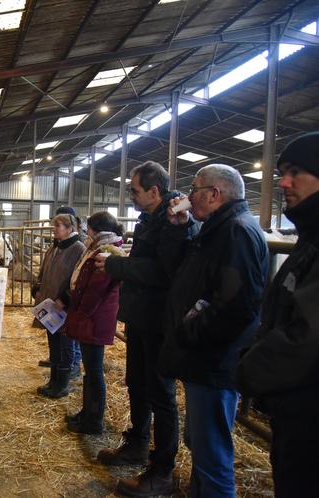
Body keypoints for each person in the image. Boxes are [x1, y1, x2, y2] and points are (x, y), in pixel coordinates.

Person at [162, 164, 268, 498]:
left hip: (214, 360)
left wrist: (189, 333)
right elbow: (184, 274)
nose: (189, 196)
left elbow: (236, 306)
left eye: (194, 189)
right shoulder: (216, 229)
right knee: (201, 445)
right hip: (205, 357)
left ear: (215, 193)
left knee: (212, 455)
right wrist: (181, 230)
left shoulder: (236, 231)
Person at [93, 161, 193, 496]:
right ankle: (136, 444)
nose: (131, 196)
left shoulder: (175, 219)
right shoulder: (150, 217)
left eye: (135, 190)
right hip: (140, 315)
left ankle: (162, 470)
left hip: (160, 319)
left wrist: (116, 264)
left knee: (161, 393)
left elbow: (166, 271)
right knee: (137, 382)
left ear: (154, 191)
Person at [236, 132, 319, 498]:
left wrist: (247, 370)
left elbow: (306, 335)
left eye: (295, 172)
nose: (283, 182)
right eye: (282, 171)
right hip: (296, 409)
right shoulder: (310, 240)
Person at [62, 212, 126, 434]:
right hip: (91, 316)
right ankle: (87, 413)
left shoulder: (108, 251)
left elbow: (96, 289)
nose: (85, 232)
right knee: (90, 370)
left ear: (95, 229)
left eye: (88, 228)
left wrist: (81, 312)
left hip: (95, 318)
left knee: (95, 371)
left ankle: (94, 419)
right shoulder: (100, 248)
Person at [32, 213, 85, 398]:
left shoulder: (78, 248)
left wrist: (65, 298)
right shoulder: (55, 247)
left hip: (63, 307)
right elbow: (45, 271)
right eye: (54, 225)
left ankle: (62, 384)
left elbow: (78, 278)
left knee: (65, 345)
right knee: (53, 344)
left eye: (58, 226)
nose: (54, 229)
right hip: (50, 305)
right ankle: (53, 381)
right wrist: (37, 287)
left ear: (70, 228)